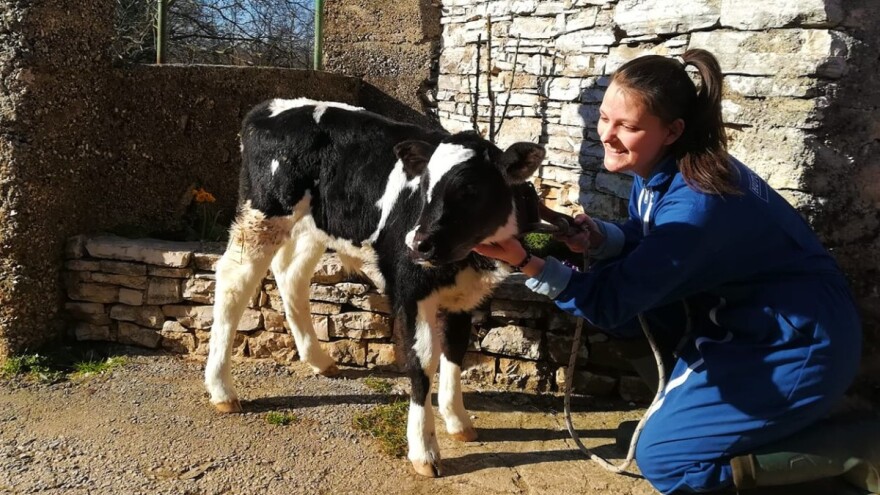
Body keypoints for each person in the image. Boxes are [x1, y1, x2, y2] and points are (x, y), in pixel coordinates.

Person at [474, 49, 879, 494]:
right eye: (605, 118)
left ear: (673, 131)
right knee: (635, 317)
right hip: (752, 322)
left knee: (666, 462)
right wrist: (601, 238)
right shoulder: (669, 171)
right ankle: (685, 422)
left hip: (794, 345)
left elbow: (609, 302)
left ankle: (849, 447)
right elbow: (650, 237)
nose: (607, 135)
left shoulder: (698, 203)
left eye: (627, 126)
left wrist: (523, 260)